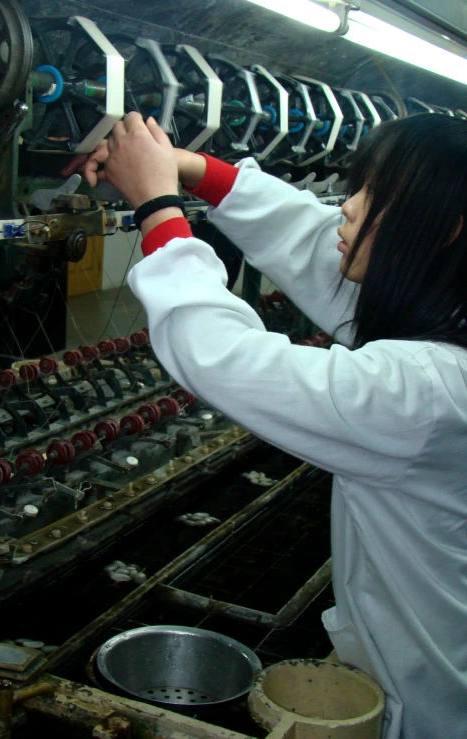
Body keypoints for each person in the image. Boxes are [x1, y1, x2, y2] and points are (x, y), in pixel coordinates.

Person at [81, 111, 467, 738]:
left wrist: (158, 208)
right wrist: (192, 170)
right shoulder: (446, 307)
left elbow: (223, 357)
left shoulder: (426, 393)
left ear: (445, 229)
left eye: (373, 193)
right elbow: (317, 245)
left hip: (431, 704)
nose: (346, 207)